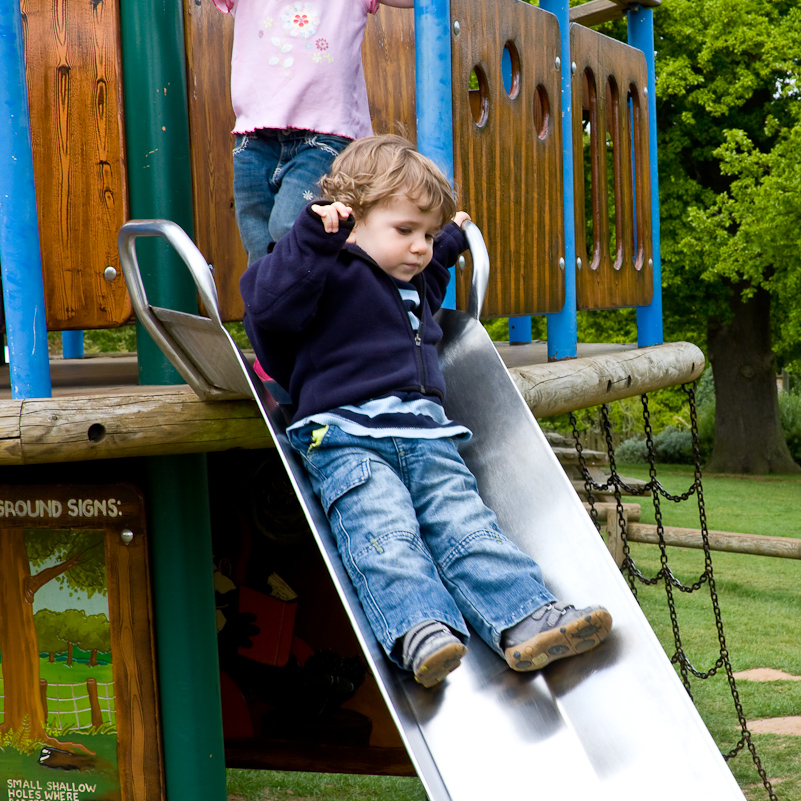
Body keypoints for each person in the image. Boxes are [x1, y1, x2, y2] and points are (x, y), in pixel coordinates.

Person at [240, 135, 613, 687]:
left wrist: (450, 242)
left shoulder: (407, 284)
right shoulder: (322, 272)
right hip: (346, 438)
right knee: (383, 534)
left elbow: (429, 283)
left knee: (469, 526)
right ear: (353, 220)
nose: (419, 247)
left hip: (426, 437)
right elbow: (266, 308)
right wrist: (309, 241)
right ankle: (420, 630)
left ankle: (523, 618)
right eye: (405, 231)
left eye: (427, 234)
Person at [213, 0, 415, 266]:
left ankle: (314, 302)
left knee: (290, 227)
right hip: (254, 138)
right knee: (258, 241)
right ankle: (267, 307)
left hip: (323, 136)